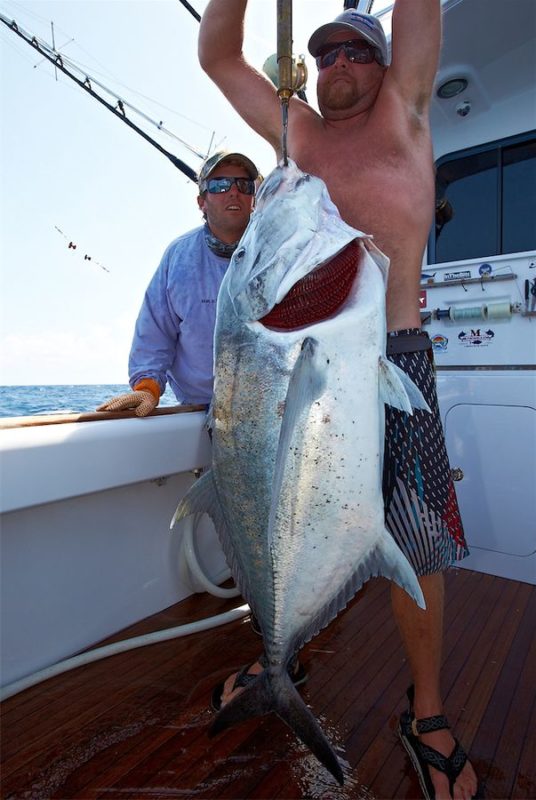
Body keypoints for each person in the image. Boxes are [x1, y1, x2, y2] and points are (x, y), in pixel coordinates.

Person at [197, 3, 478, 798]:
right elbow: (218, 56)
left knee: (418, 550)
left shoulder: (405, 112)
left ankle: (427, 713)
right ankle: (278, 653)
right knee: (272, 512)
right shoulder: (298, 135)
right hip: (294, 365)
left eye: (358, 50)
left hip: (395, 361)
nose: (340, 64)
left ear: (388, 66)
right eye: (326, 55)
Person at [97, 150, 258, 416]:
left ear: (254, 199)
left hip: (270, 410)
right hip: (199, 411)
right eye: (219, 185)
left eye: (244, 185)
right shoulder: (178, 257)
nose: (233, 192)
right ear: (201, 202)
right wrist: (148, 387)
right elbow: (155, 332)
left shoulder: (279, 252)